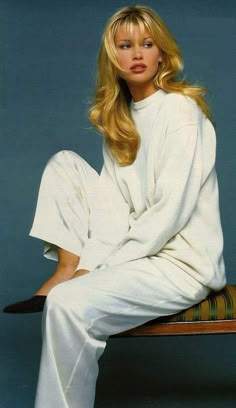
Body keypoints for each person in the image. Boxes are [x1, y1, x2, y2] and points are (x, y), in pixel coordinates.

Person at [4, 5, 226, 407]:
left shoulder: (180, 111)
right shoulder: (119, 120)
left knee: (68, 304)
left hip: (180, 264)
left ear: (162, 54)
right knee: (64, 164)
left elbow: (168, 213)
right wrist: (88, 266)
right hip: (138, 253)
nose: (137, 54)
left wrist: (102, 269)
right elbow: (113, 214)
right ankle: (67, 269)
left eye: (147, 44)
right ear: (114, 57)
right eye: (126, 46)